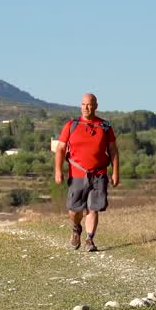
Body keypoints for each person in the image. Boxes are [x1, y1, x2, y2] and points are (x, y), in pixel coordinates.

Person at [54, 93, 119, 252]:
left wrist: (116, 172)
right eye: (83, 104)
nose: (86, 107)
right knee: (74, 210)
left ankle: (90, 239)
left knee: (93, 208)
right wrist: (58, 170)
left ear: (96, 106)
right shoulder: (71, 125)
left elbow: (113, 151)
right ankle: (76, 227)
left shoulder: (105, 126)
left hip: (98, 173)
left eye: (89, 104)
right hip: (77, 174)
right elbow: (61, 149)